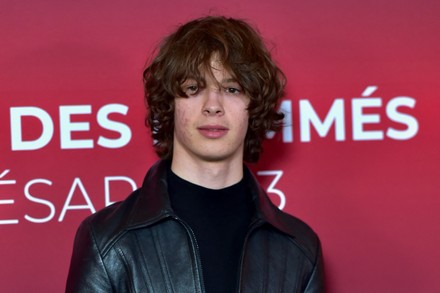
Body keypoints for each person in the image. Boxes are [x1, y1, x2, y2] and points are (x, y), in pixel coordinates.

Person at [66, 15, 324, 293]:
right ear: (170, 104)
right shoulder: (108, 240)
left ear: (254, 106)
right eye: (193, 88)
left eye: (232, 89)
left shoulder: (299, 246)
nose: (213, 105)